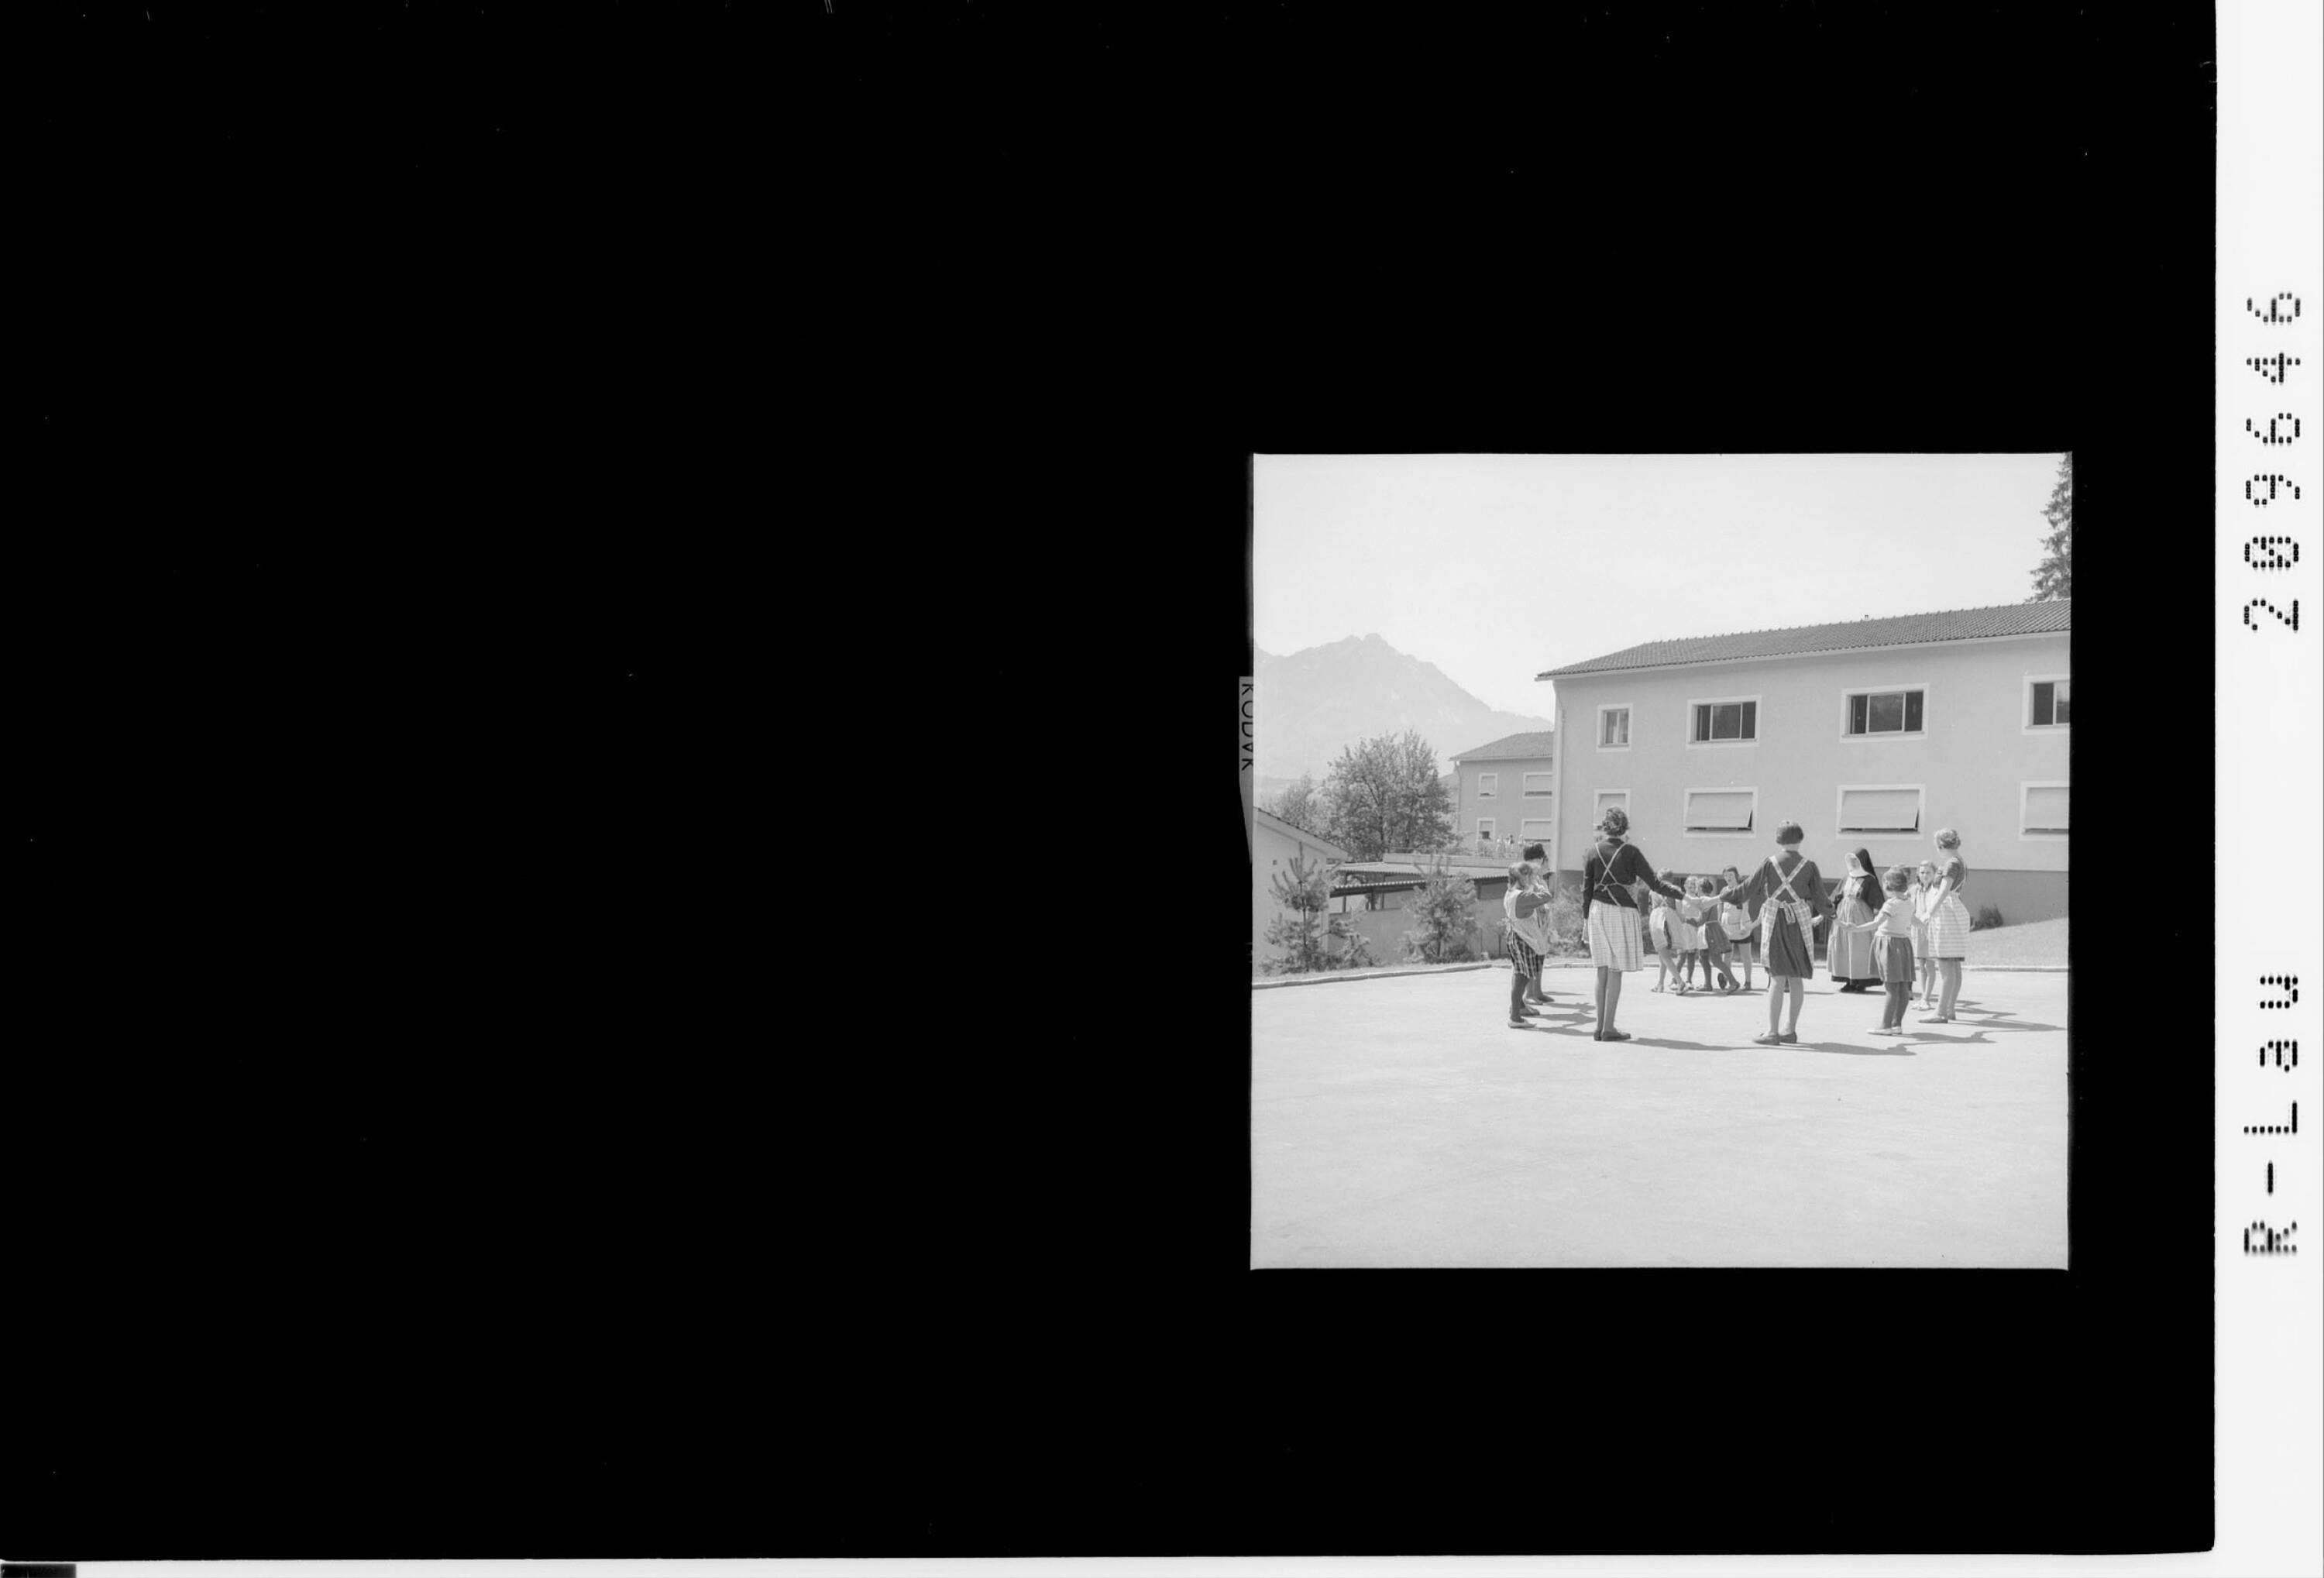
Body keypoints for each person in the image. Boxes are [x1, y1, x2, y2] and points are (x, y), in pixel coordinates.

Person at [1711, 820, 1836, 1045]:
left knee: (1777, 978)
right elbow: (1820, 897)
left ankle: (1772, 1031)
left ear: (1778, 840)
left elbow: (1746, 889)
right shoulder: (1809, 866)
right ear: (1800, 839)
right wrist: (1834, 915)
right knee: (1796, 978)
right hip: (1799, 923)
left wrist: (1718, 898)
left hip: (1776, 921)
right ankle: (1790, 1030)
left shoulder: (1770, 863)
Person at [1579, 806, 1690, 1040]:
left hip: (1597, 911)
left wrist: (1585, 920)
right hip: (1621, 911)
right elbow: (1656, 884)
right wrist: (1684, 895)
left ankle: (1599, 1027)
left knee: (1601, 969)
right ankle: (1609, 1028)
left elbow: (1586, 890)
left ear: (1605, 827)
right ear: (1625, 828)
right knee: (1615, 969)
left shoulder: (1593, 851)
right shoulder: (1631, 852)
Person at [1838, 864, 1920, 1034]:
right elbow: (1913, 920)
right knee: (1903, 987)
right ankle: (1897, 1024)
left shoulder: (1891, 904)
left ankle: (1885, 1025)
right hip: (1904, 945)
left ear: (1888, 885)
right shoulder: (1909, 903)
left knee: (1891, 988)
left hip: (1888, 945)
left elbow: (1876, 923)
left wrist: (1855, 928)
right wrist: (1925, 927)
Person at [1920, 828, 1973, 1023]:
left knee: (1945, 965)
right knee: (1953, 964)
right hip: (1953, 912)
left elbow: (1944, 891)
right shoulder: (1960, 861)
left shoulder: (1951, 863)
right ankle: (1949, 1009)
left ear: (1942, 846)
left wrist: (1929, 912)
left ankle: (1941, 1011)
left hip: (1946, 914)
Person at [1503, 862, 1555, 1028]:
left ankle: (1519, 1007)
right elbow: (1547, 896)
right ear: (1523, 877)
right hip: (1524, 939)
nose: (1531, 878)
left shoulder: (1510, 893)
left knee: (1521, 973)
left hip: (1515, 936)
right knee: (1522, 976)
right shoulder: (1522, 897)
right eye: (1529, 875)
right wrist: (1538, 885)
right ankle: (1515, 1017)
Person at [1827, 847, 1884, 993]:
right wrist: (1826, 912)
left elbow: (1877, 901)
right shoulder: (1846, 878)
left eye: (1856, 860)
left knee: (1860, 949)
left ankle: (1861, 982)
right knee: (1845, 949)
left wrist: (1878, 918)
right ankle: (1849, 981)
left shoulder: (1870, 880)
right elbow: (1835, 897)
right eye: (1851, 860)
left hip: (1861, 919)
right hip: (1843, 918)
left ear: (1862, 861)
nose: (1853, 863)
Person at [1692, 875, 1741, 992]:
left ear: (1701, 889)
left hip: (1710, 932)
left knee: (1716, 960)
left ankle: (1733, 982)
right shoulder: (1707, 900)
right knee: (1703, 958)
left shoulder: (1706, 901)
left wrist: (1686, 920)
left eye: (1697, 887)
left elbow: (1701, 921)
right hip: (1707, 931)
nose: (1696, 890)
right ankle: (1707, 985)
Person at [1717, 864, 1758, 992]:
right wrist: (1719, 922)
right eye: (1726, 875)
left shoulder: (1742, 890)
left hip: (1741, 927)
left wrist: (1742, 926)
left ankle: (1748, 982)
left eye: (1730, 875)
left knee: (1746, 956)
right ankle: (1728, 979)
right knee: (1727, 956)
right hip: (1727, 928)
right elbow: (1720, 906)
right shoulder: (1724, 890)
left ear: (1736, 876)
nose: (1728, 878)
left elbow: (1744, 908)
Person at [1911, 859, 1941, 1011]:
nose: (1925, 875)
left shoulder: (1936, 890)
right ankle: (1924, 997)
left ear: (1934, 874)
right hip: (1918, 929)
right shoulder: (1916, 890)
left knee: (1929, 965)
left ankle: (1927, 999)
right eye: (1922, 872)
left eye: (1928, 872)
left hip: (1930, 929)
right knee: (1921, 965)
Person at [1648, 878, 1683, 993]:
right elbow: (1679, 908)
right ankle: (1660, 984)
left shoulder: (1653, 890)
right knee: (1663, 955)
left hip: (1659, 920)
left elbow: (1651, 907)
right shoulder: (1675, 889)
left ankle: (1680, 982)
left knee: (1664, 954)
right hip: (1671, 920)